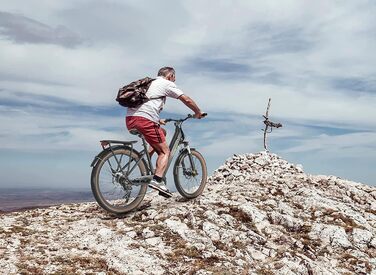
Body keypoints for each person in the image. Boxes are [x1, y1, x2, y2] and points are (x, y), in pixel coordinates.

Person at [126, 67, 205, 198]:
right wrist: (198, 112)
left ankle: (146, 162)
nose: (174, 80)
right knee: (165, 151)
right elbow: (186, 99)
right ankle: (157, 180)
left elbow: (145, 105)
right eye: (174, 78)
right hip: (145, 120)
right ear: (170, 75)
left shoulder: (149, 83)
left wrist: (157, 120)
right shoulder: (166, 83)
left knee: (161, 132)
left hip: (131, 120)